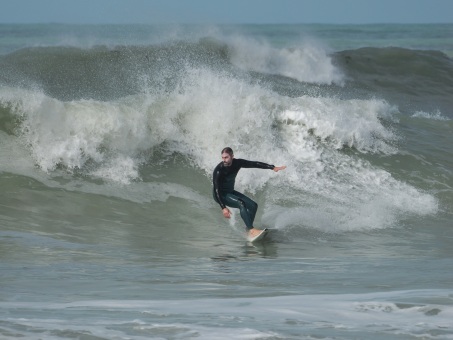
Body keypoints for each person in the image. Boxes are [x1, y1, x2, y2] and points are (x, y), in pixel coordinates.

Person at [212, 147, 286, 238]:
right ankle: (251, 229)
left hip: (230, 192)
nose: (224, 160)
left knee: (253, 205)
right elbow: (216, 189)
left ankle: (248, 229)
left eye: (226, 157)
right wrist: (223, 207)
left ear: (232, 156)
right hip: (221, 195)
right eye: (222, 158)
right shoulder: (219, 170)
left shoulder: (237, 163)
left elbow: (254, 164)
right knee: (241, 203)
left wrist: (272, 167)